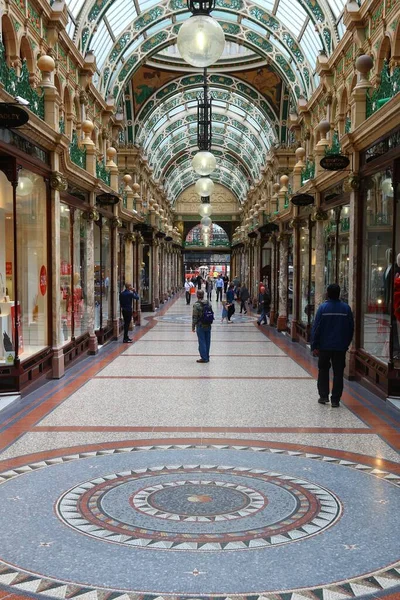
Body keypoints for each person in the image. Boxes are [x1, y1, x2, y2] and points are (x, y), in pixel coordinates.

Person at [311, 283, 354, 407]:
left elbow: (316, 328)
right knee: (338, 373)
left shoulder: (323, 308)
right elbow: (350, 328)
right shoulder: (346, 309)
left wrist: (315, 345)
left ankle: (324, 396)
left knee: (323, 370)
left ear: (328, 294)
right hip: (340, 347)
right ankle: (335, 399)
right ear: (339, 294)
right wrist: (346, 343)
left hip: (324, 347)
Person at [192, 290, 212, 363]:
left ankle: (204, 358)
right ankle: (207, 355)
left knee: (202, 341)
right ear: (203, 295)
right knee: (207, 341)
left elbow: (195, 317)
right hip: (208, 324)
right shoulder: (208, 303)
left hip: (200, 325)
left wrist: (193, 327)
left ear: (197, 295)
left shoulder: (196, 305)